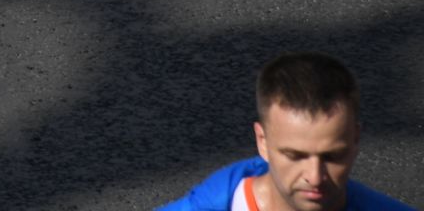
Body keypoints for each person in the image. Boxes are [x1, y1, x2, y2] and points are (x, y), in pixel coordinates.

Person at [156, 53, 415, 210]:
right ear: (262, 142)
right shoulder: (214, 205)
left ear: (356, 140)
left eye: (332, 156)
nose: (315, 177)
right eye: (295, 156)